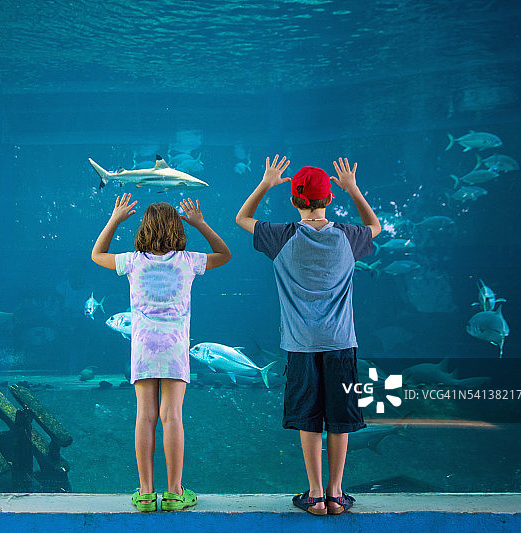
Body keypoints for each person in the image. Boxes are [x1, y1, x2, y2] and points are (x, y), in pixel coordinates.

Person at [236, 155, 380, 515]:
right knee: (340, 418)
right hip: (341, 345)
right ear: (330, 198)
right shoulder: (349, 237)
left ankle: (315, 495)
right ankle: (337, 492)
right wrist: (354, 188)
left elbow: (242, 219)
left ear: (294, 200)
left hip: (300, 347)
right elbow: (375, 226)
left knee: (309, 418)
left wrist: (266, 182)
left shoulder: (280, 236)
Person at [92, 193, 230, 512]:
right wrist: (200, 222)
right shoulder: (189, 261)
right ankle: (174, 493)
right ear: (178, 231)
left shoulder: (132, 261)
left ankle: (145, 493)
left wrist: (114, 218)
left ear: (143, 229)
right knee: (172, 417)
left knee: (145, 415)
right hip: (175, 348)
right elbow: (224, 253)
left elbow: (97, 253)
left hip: (142, 347)